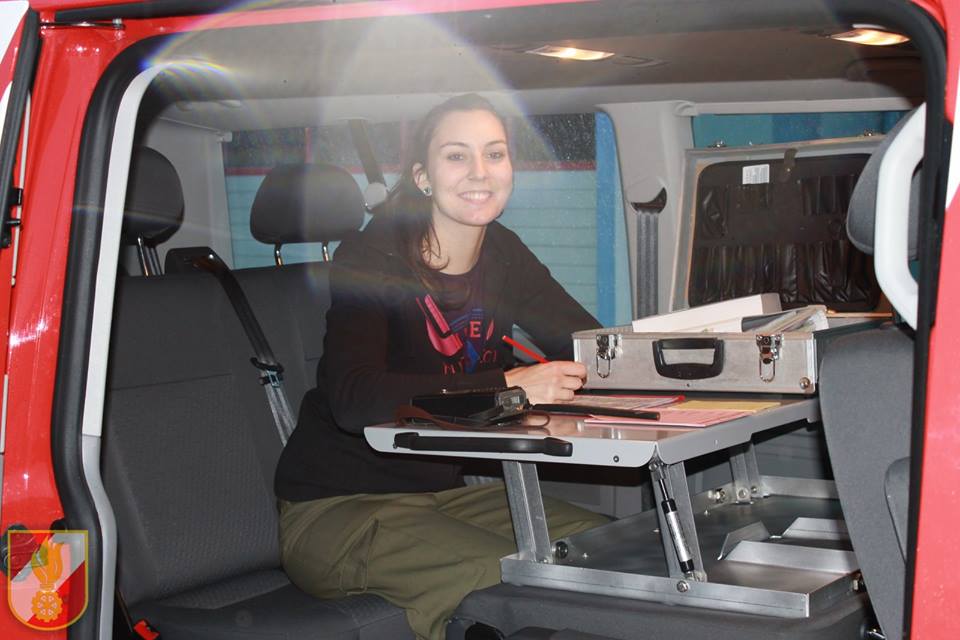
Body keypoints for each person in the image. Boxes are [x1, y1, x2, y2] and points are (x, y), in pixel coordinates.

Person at [275, 94, 609, 640]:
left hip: (440, 498)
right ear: (423, 176)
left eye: (495, 154)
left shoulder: (503, 253)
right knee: (516, 582)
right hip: (335, 509)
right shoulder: (374, 257)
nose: (480, 172)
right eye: (457, 156)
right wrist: (508, 386)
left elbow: (588, 346)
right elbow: (354, 399)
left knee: (609, 547)